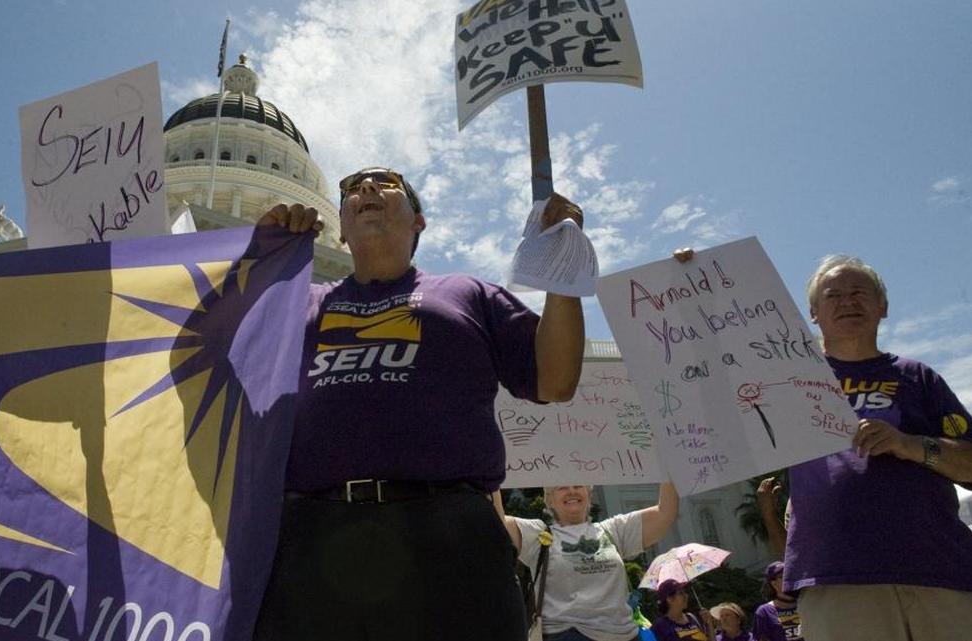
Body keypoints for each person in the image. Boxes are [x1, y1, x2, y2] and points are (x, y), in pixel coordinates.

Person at [251, 167, 587, 640]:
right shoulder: (297, 304)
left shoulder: (468, 294)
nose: (366, 189)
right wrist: (260, 256)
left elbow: (555, 380)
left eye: (385, 183)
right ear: (341, 230)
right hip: (312, 538)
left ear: (419, 222)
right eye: (352, 188)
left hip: (449, 535)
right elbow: (205, 350)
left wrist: (564, 267)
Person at [784, 254, 972, 640]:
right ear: (814, 313)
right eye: (833, 295)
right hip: (835, 578)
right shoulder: (788, 384)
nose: (847, 301)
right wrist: (686, 275)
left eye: (859, 292)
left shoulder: (918, 378)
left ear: (882, 306)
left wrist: (912, 445)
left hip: (939, 572)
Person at [497, 483, 680, 641]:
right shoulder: (538, 534)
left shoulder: (613, 530)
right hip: (567, 635)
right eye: (562, 487)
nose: (571, 491)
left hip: (624, 635)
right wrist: (490, 479)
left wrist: (667, 464)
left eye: (578, 486)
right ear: (549, 499)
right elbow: (498, 521)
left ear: (589, 493)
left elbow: (665, 513)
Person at [751, 562, 801, 641]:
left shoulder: (806, 604)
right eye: (783, 576)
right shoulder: (764, 612)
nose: (789, 577)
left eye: (790, 573)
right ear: (773, 583)